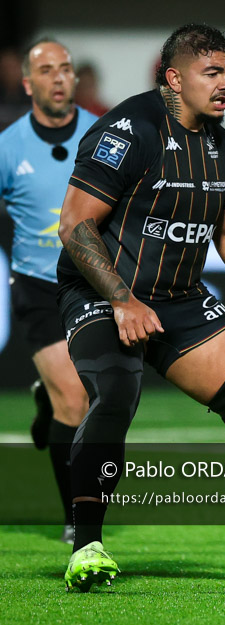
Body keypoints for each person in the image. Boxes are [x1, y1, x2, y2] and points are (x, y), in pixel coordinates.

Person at [56, 24, 225, 591]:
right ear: (174, 79)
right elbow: (74, 224)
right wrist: (121, 299)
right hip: (103, 291)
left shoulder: (223, 147)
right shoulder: (130, 129)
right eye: (212, 73)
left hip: (176, 299)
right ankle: (87, 545)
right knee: (116, 394)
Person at [0, 38, 96, 545]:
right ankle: (77, 519)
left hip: (91, 282)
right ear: (28, 84)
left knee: (102, 402)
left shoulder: (103, 136)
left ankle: (47, 401)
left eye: (65, 69)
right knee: (75, 398)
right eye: (47, 71)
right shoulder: (8, 147)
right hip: (37, 285)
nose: (58, 78)